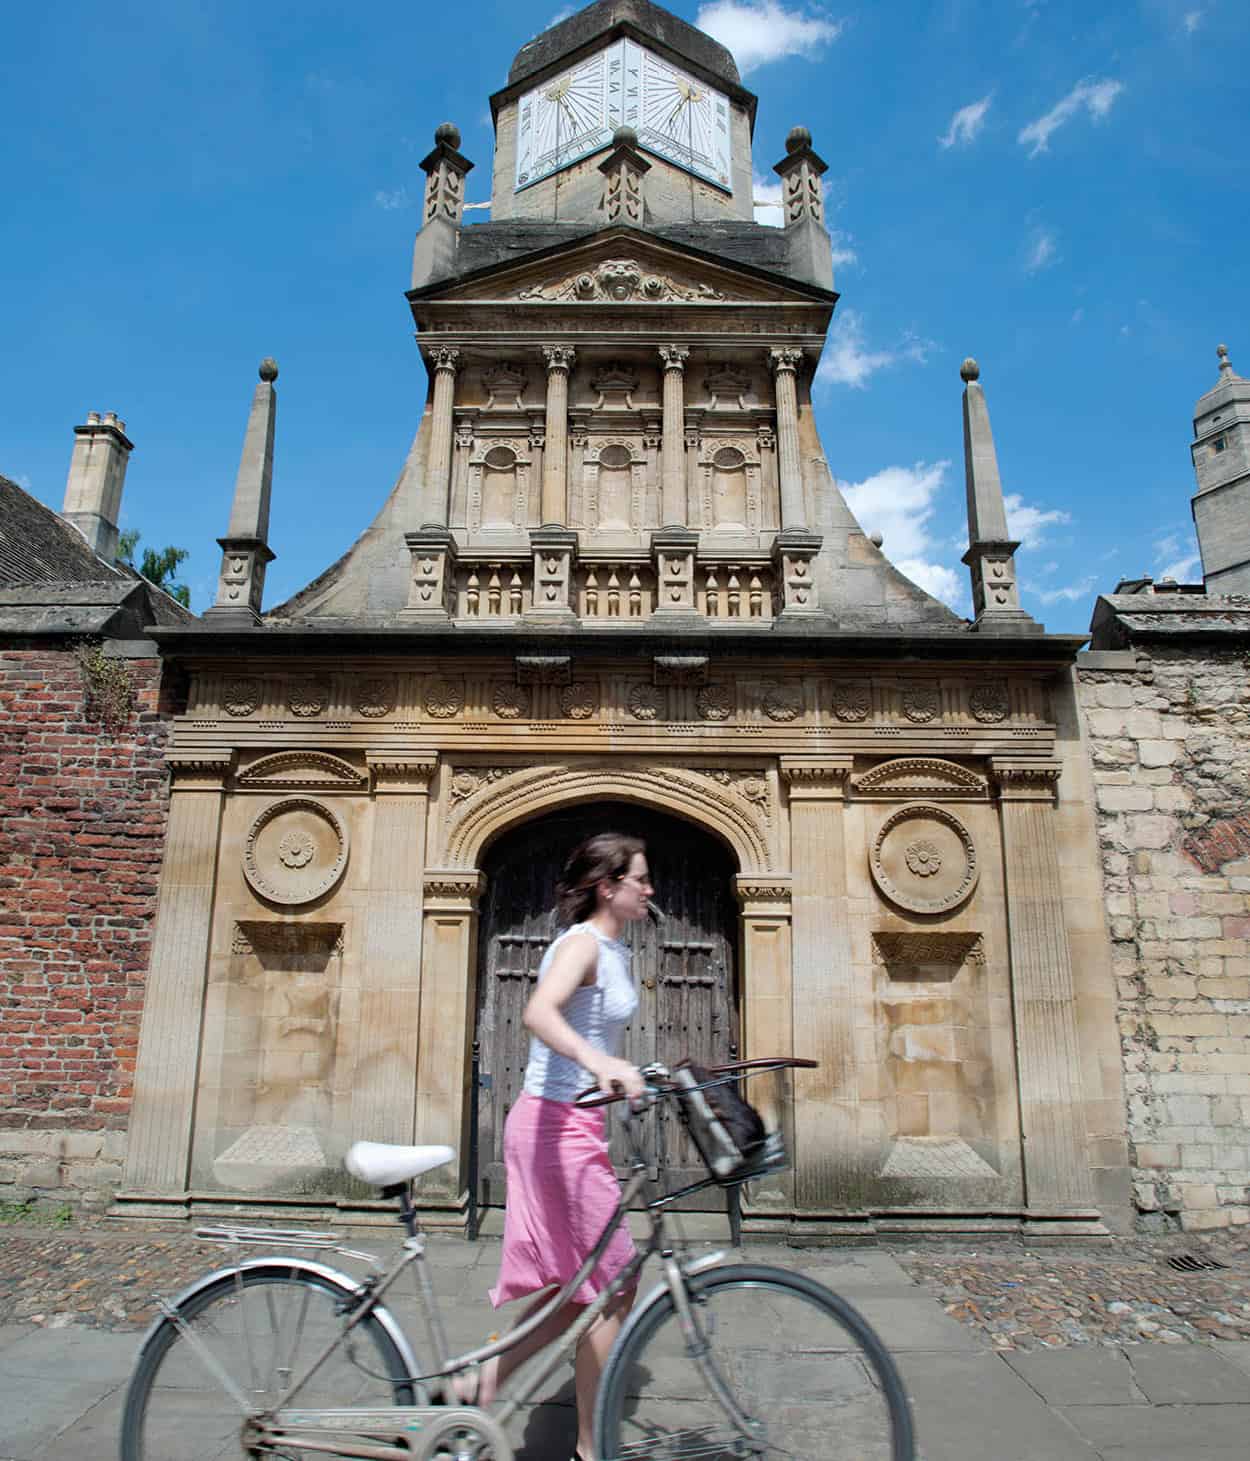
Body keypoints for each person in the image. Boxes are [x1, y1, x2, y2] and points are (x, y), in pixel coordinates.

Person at [474, 832, 652, 1461]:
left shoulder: (611, 948)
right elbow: (540, 1013)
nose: (649, 889)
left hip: (569, 1123)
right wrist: (598, 1061)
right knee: (615, 1282)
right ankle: (588, 1448)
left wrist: (632, 1070)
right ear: (609, 886)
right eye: (640, 879)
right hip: (554, 1126)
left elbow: (583, 1023)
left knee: (579, 1284)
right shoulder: (582, 945)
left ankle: (479, 1383)